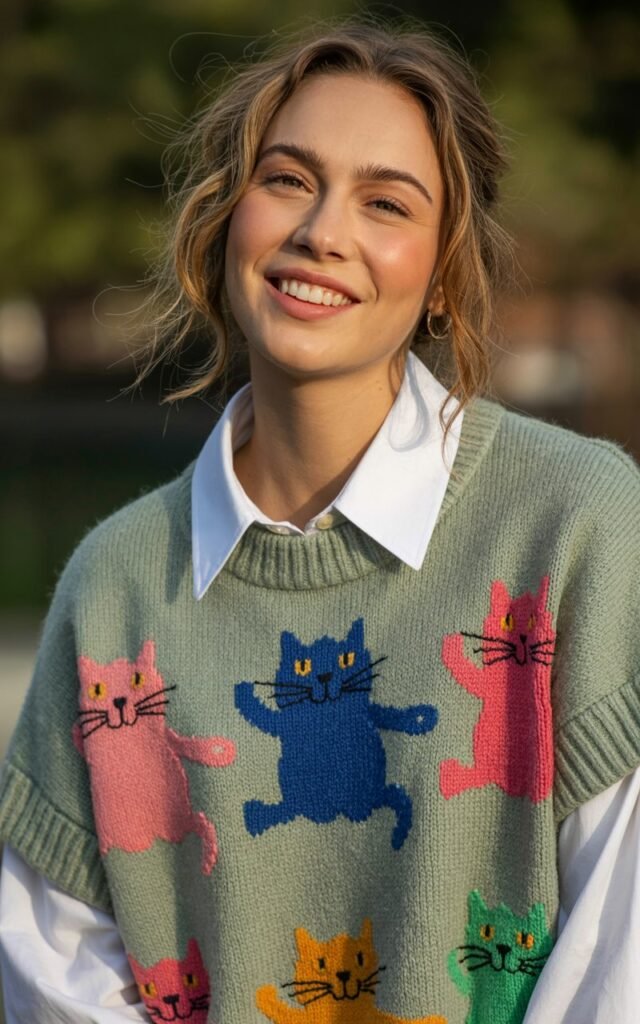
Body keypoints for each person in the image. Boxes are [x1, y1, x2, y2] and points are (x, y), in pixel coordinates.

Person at [0, 20, 639, 1024]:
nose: (321, 232)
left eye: (385, 202)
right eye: (288, 179)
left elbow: (619, 967)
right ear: (225, 218)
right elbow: (55, 977)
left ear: (440, 273)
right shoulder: (114, 587)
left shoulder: (578, 525)